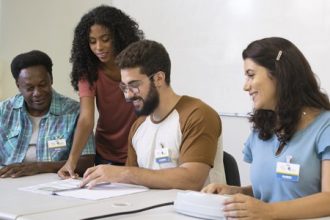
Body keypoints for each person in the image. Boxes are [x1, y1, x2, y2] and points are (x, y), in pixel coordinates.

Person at [202, 37, 330, 219]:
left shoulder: (325, 127)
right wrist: (235, 192)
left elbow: (328, 200)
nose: (245, 86)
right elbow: (271, 191)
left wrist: (268, 212)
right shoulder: (262, 127)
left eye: (251, 75)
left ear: (278, 73)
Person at [80, 40, 225, 190]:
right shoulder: (138, 126)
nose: (128, 96)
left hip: (194, 211)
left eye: (134, 86)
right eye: (124, 87)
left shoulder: (198, 115)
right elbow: (130, 184)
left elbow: (192, 180)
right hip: (150, 210)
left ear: (159, 79)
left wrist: (125, 173)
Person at [57, 5, 144, 179]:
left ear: (119, 37)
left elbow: (147, 112)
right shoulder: (88, 71)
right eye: (92, 41)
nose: (99, 47)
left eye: (105, 39)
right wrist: (71, 161)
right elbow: (86, 119)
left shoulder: (139, 64)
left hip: (139, 147)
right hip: (106, 152)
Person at [0, 50, 95, 178]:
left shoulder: (74, 112)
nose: (37, 93)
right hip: (8, 185)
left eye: (42, 84)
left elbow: (86, 162)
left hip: (54, 186)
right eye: (29, 88)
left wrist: (39, 167)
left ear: (51, 79)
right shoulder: (4, 111)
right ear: (18, 85)